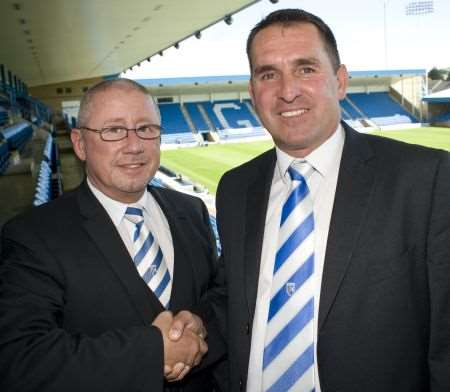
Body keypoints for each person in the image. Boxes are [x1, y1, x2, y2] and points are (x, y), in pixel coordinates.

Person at [215, 8, 450, 392]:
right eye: (268, 74)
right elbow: (233, 300)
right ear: (253, 92)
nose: (287, 91)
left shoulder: (425, 179)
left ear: (340, 81)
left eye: (306, 69)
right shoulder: (235, 188)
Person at [0, 78, 225, 391]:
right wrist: (153, 351)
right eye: (114, 130)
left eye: (146, 128)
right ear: (80, 143)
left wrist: (199, 324)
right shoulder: (32, 236)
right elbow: (21, 359)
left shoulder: (192, 211)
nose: (134, 146)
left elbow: (220, 298)